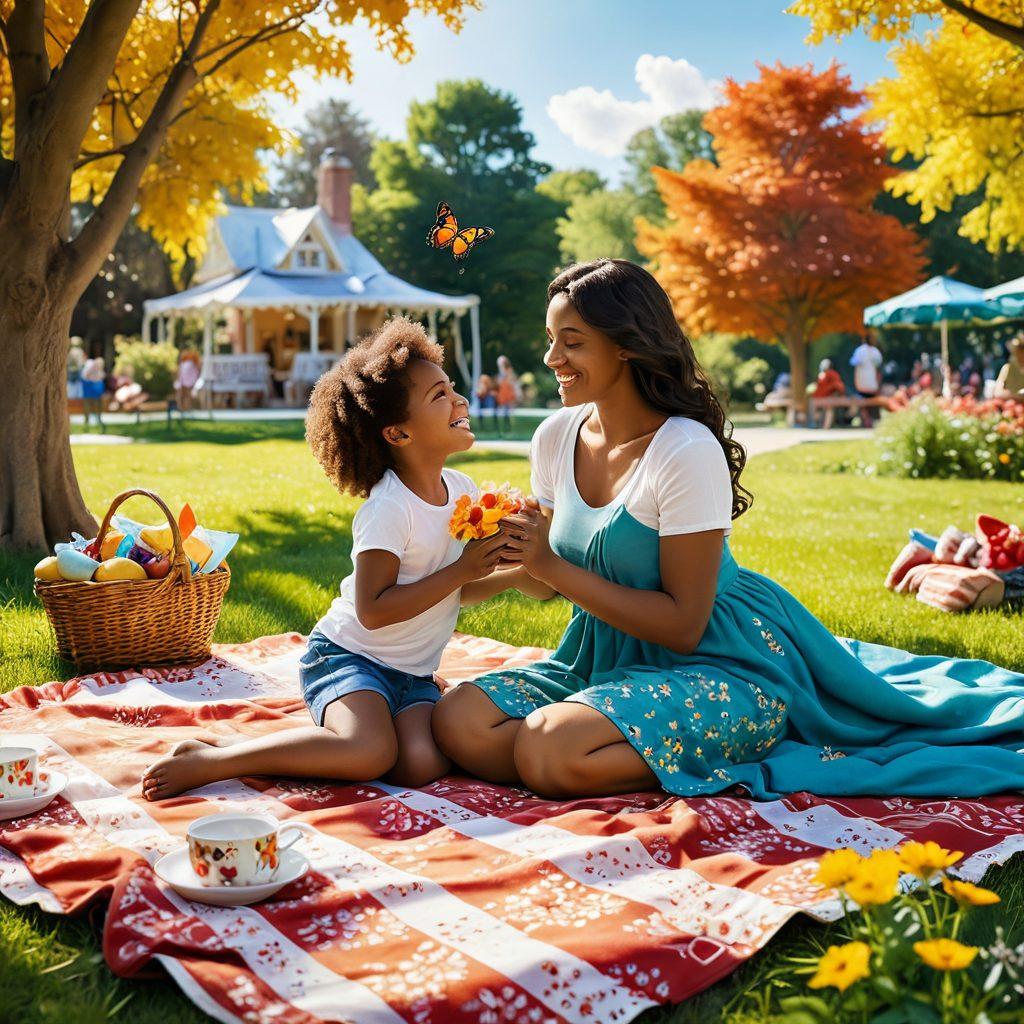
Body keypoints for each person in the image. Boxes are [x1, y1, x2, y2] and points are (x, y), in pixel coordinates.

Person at [432, 258, 1024, 801]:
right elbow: (546, 582)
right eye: (551, 341)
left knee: (548, 749)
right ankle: (588, 750)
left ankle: (736, 742)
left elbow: (684, 626)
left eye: (572, 343)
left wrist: (549, 564)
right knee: (458, 722)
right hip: (599, 657)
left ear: (628, 347)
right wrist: (473, 570)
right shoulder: (555, 438)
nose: (551, 360)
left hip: (723, 663)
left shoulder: (684, 449)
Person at [141, 318, 553, 801]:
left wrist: (509, 571)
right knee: (366, 752)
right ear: (397, 433)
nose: (460, 401)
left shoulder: (461, 492)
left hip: (412, 675)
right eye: (439, 396)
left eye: (452, 389)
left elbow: (450, 591)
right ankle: (218, 758)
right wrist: (463, 568)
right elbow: (374, 610)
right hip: (349, 658)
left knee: (420, 766)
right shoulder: (388, 508)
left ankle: (336, 738)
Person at [849, 332, 883, 427]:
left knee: (863, 402)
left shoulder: (859, 351)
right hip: (873, 385)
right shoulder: (875, 351)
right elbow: (879, 364)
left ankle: (866, 419)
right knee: (871, 402)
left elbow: (853, 362)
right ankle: (872, 420)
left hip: (861, 385)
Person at [810, 358, 845, 429]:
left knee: (822, 408)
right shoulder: (829, 373)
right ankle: (825, 426)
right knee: (829, 408)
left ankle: (818, 425)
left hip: (820, 398)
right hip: (824, 398)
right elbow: (839, 386)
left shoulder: (823, 374)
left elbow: (838, 386)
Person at [495, 354, 521, 436]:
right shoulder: (500, 373)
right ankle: (502, 431)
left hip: (509, 397)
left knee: (507, 414)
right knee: (502, 415)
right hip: (503, 397)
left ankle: (508, 431)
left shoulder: (509, 371)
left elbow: (512, 383)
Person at [80, 350, 106, 432]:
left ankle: (94, 424)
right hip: (91, 394)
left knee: (95, 408)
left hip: (94, 395)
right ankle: (88, 424)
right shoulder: (91, 368)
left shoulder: (98, 375)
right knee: (90, 407)